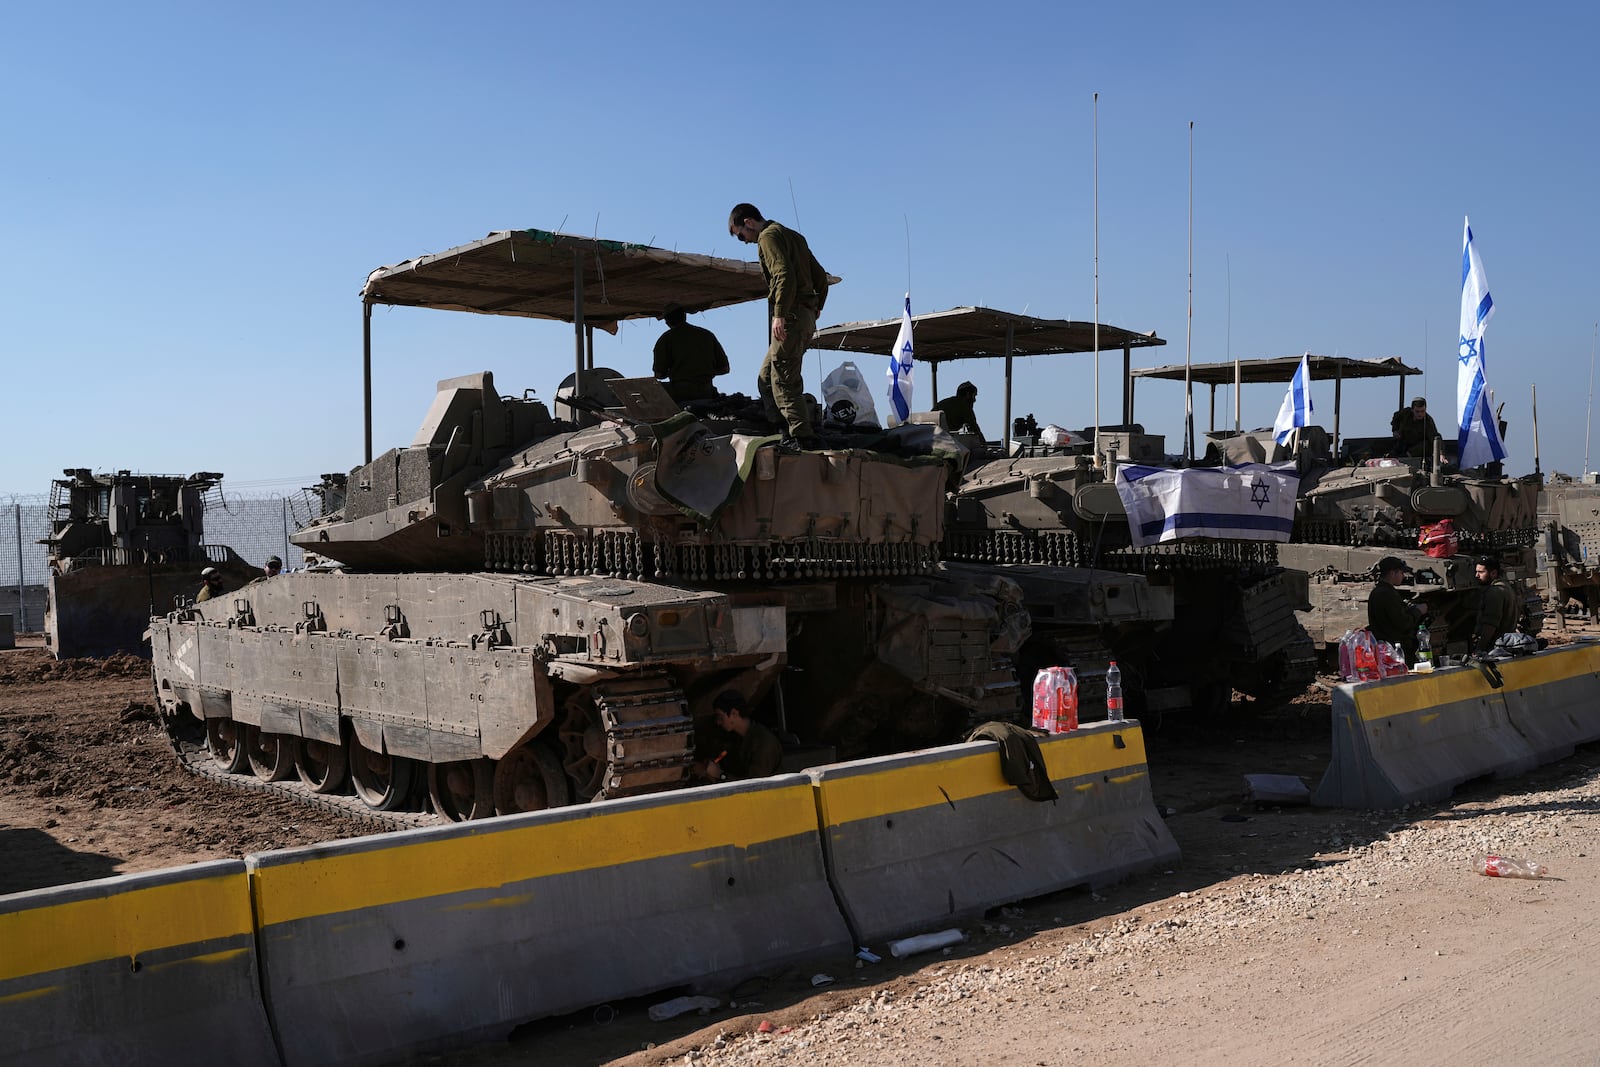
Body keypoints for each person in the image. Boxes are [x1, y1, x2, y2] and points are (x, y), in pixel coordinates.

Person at [728, 203, 829, 451]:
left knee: (783, 378)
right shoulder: (793, 236)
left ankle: (801, 436)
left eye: (741, 235)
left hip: (791, 316)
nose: (744, 241)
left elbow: (783, 275)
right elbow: (821, 277)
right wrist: (817, 307)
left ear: (749, 222)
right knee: (767, 377)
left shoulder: (768, 237)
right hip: (804, 315)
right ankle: (782, 428)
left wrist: (779, 314)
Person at [652, 304, 730, 403]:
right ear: (684, 316)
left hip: (680, 393)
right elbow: (725, 369)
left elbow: (659, 374)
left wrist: (677, 372)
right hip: (706, 391)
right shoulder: (707, 335)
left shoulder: (666, 339)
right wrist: (704, 373)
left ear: (667, 321)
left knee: (649, 392)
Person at [700, 690, 782, 781]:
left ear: (734, 713)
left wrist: (720, 774)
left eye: (720, 717)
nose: (718, 722)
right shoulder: (735, 737)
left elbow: (755, 786)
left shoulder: (763, 743)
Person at [1367, 556, 1424, 662]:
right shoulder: (1387, 594)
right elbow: (1402, 623)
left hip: (1383, 647)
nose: (1403, 576)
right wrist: (1418, 611)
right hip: (1394, 649)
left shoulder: (1377, 592)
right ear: (1392, 573)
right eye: (1401, 573)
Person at [1471, 555, 1522, 654]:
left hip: (1496, 646)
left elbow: (1491, 624)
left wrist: (1480, 648)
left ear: (1493, 573)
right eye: (1476, 572)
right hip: (1506, 642)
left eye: (1481, 572)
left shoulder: (1494, 592)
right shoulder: (1506, 586)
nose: (1476, 576)